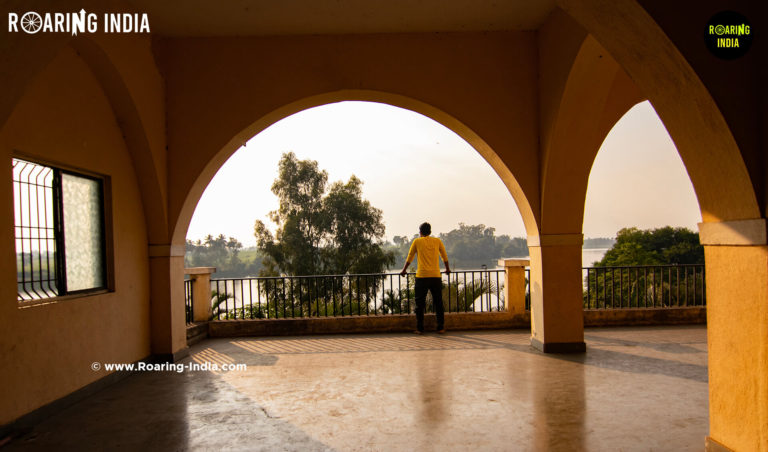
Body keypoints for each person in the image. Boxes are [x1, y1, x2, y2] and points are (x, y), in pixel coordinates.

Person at [400, 222, 451, 334]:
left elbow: (410, 256)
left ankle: (420, 328)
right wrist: (447, 269)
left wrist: (404, 270)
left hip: (422, 276)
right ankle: (441, 327)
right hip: (435, 276)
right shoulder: (437, 241)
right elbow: (444, 256)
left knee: (420, 304)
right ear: (430, 231)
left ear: (420, 232)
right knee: (438, 303)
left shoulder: (417, 241)